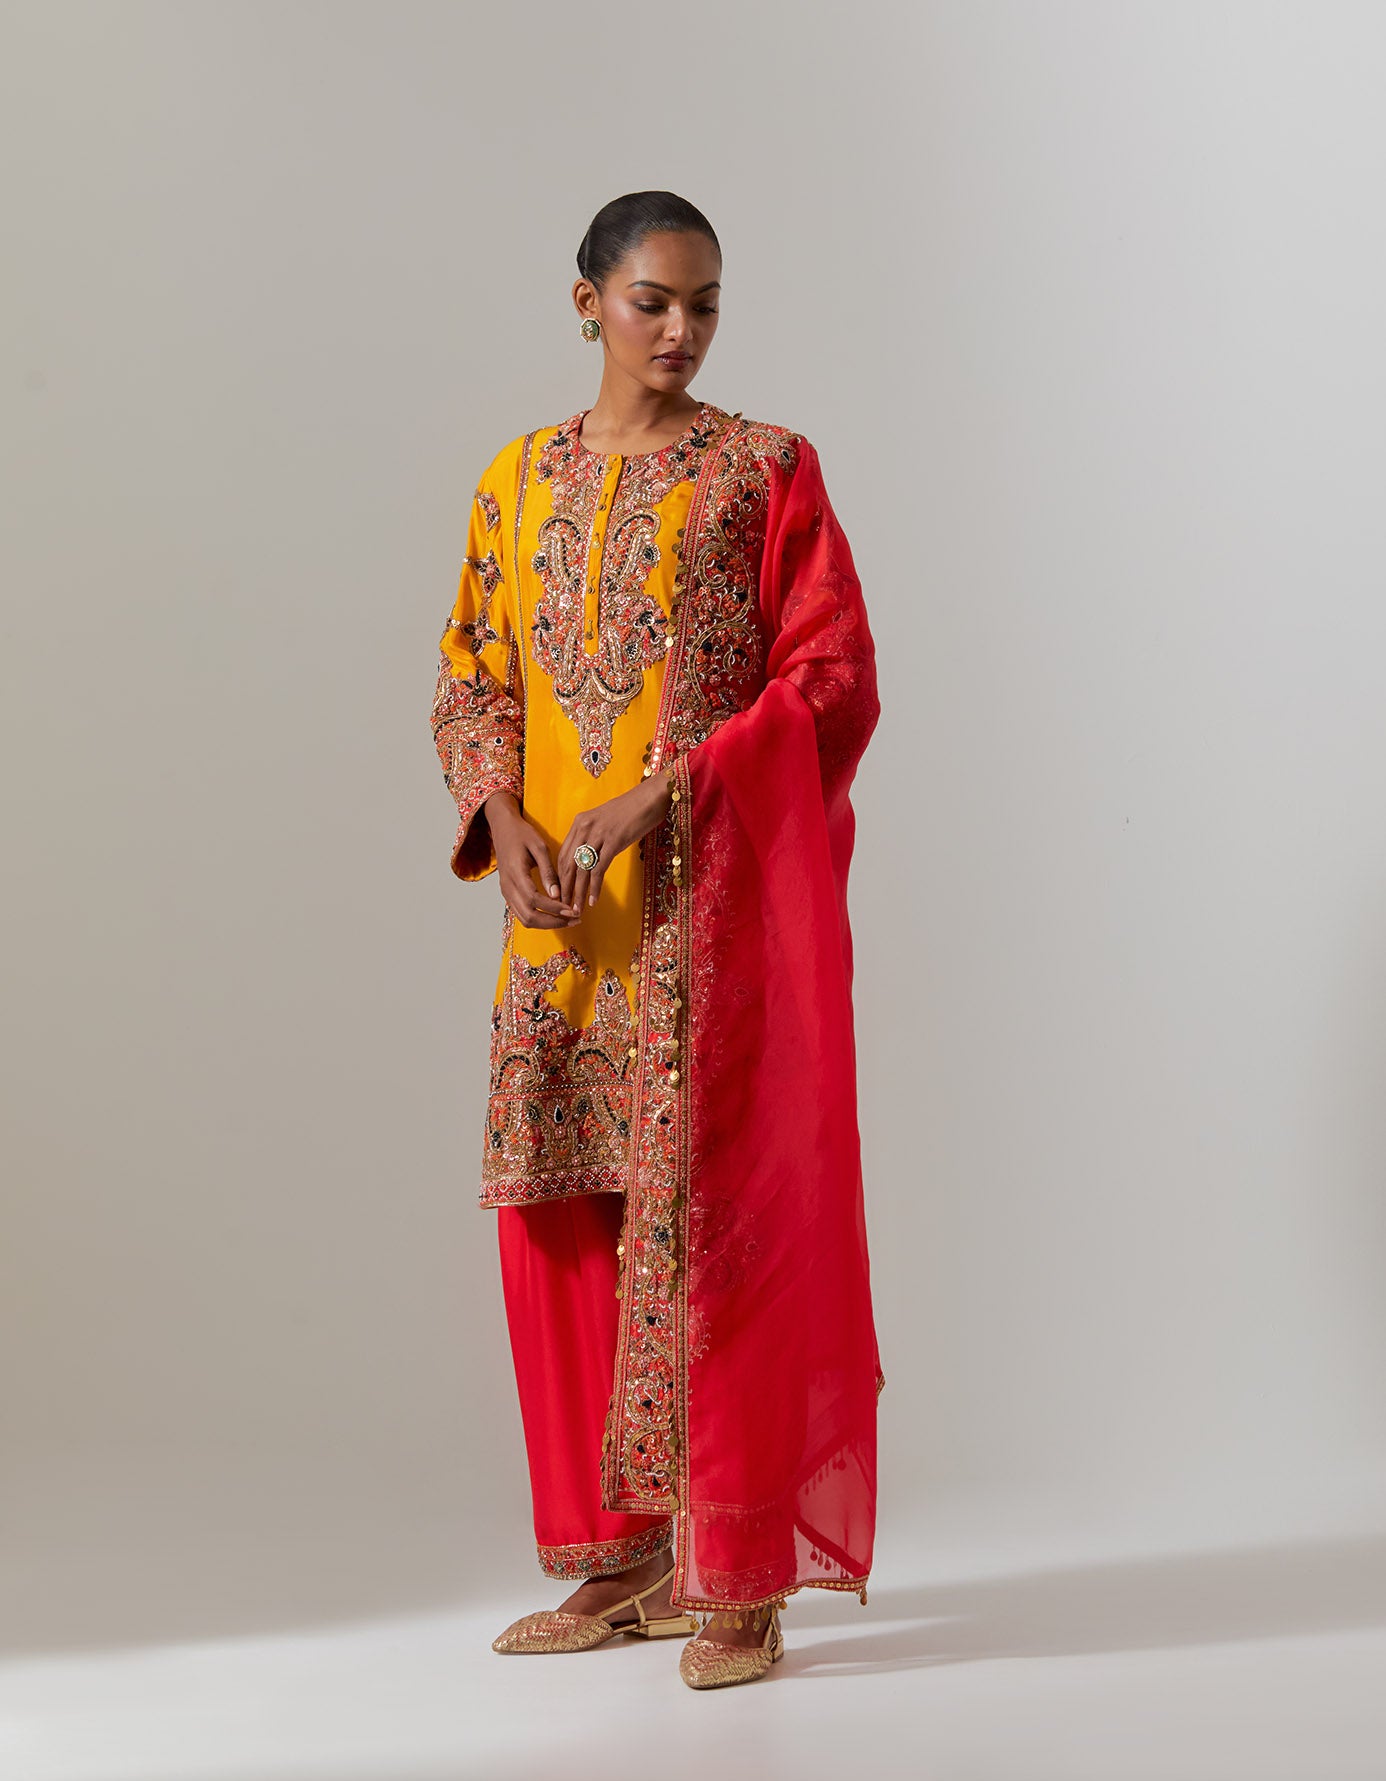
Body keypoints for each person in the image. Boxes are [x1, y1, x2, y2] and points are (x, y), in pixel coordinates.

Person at [430, 190, 883, 1691]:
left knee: (724, 1222)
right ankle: (624, 1560)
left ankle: (737, 1571)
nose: (681, 330)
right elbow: (474, 669)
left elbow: (829, 675)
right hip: (564, 928)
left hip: (712, 915)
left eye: (704, 304)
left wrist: (669, 790)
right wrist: (500, 812)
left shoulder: (766, 470)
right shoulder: (515, 481)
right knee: (567, 1214)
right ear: (587, 305)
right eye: (651, 301)